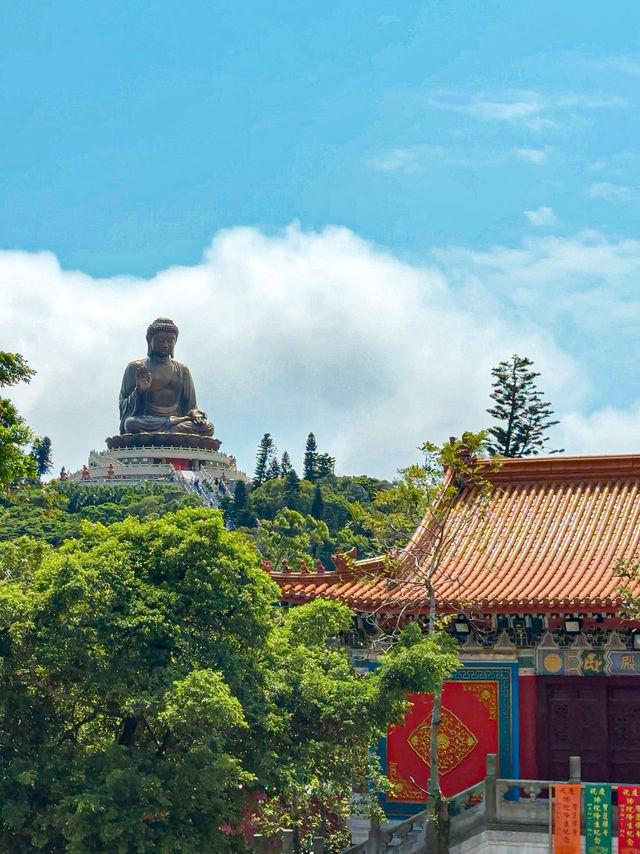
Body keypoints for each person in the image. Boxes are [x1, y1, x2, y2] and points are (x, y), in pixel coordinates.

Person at [118, 318, 214, 437]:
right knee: (131, 424)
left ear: (175, 342)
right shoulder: (136, 368)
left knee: (208, 427)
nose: (165, 345)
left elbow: (190, 407)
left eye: (170, 341)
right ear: (149, 341)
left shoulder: (182, 370)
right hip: (148, 422)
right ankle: (170, 433)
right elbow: (123, 406)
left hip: (176, 422)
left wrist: (195, 414)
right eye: (160, 340)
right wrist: (139, 391)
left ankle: (165, 432)